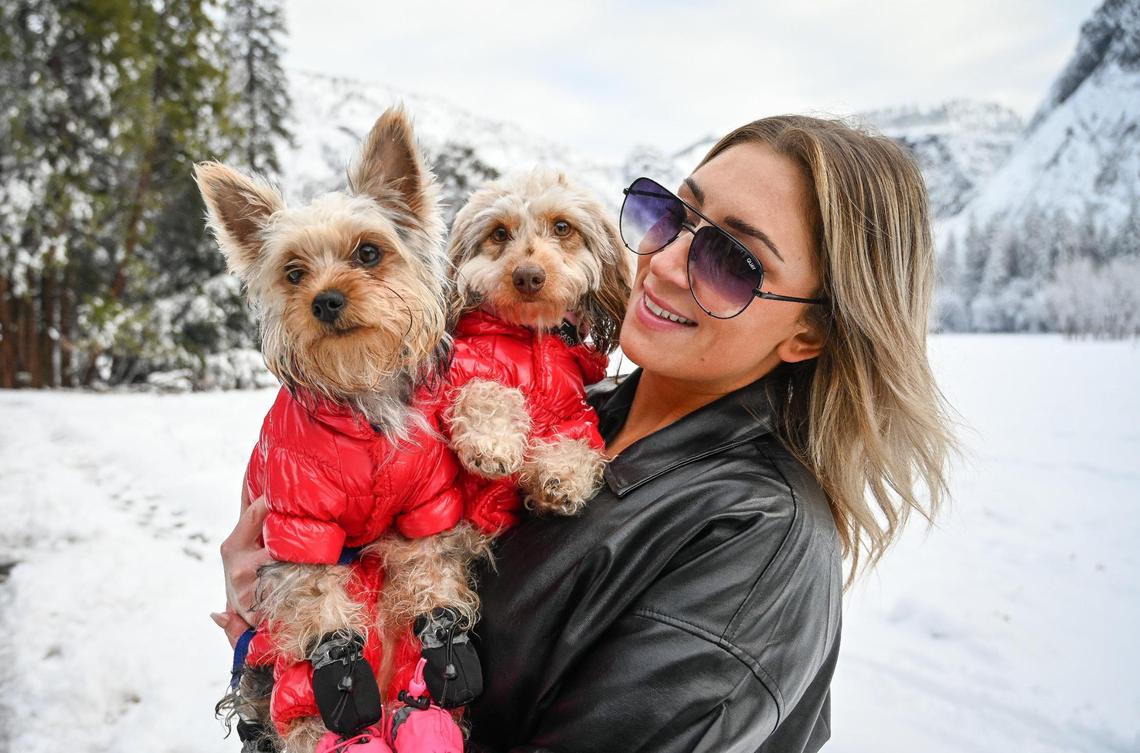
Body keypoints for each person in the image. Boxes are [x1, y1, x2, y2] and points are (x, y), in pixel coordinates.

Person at [215, 114, 955, 752]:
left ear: (810, 332)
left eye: (734, 261)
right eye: (674, 214)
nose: (665, 263)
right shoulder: (570, 410)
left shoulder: (755, 542)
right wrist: (272, 636)